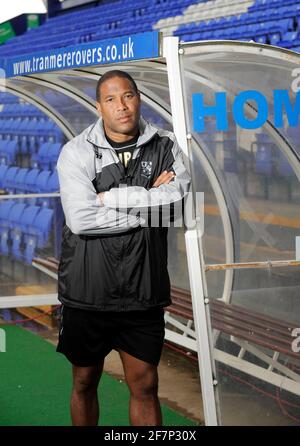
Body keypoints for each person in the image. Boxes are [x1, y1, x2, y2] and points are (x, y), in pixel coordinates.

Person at [56, 69, 191, 426]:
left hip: (142, 290)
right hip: (88, 289)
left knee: (145, 384)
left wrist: (112, 198)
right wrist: (148, 208)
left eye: (128, 95)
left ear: (138, 98)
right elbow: (81, 219)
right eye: (112, 99)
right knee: (84, 381)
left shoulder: (166, 146)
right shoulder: (76, 151)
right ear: (99, 106)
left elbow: (177, 205)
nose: (122, 106)